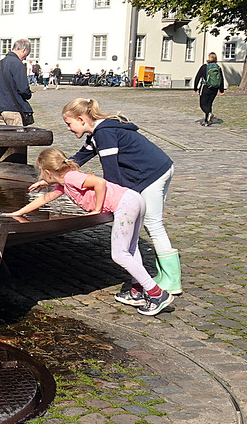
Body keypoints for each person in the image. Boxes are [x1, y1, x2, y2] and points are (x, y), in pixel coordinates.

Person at [7, 148, 173, 315]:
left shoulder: (71, 178)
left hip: (125, 204)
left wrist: (97, 209)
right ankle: (137, 291)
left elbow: (99, 183)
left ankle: (157, 294)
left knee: (120, 254)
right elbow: (44, 199)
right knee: (131, 248)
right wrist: (18, 213)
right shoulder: (65, 182)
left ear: (48, 172)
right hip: (133, 198)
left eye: (41, 173)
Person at [63, 98, 181, 295]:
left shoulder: (105, 134)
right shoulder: (97, 134)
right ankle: (164, 275)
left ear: (82, 119)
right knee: (152, 224)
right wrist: (58, 170)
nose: (68, 128)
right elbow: (79, 158)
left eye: (69, 123)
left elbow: (112, 175)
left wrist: (114, 203)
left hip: (152, 174)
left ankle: (172, 280)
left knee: (153, 224)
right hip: (160, 168)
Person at [0, 39, 34, 162]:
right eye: (26, 55)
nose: (25, 58)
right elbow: (23, 89)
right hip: (12, 109)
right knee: (18, 144)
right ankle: (17, 171)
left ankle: (0, 168)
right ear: (23, 49)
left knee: (3, 142)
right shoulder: (17, 64)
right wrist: (28, 93)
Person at [193, 52, 224, 126]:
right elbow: (221, 79)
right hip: (215, 88)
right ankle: (207, 121)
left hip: (205, 87)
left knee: (203, 104)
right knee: (209, 104)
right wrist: (221, 90)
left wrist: (195, 88)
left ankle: (209, 114)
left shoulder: (204, 67)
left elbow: (198, 77)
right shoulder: (218, 67)